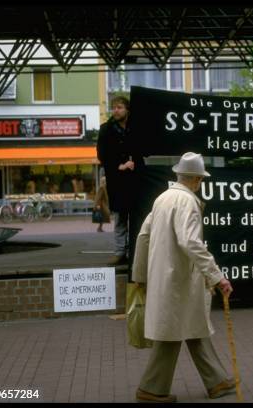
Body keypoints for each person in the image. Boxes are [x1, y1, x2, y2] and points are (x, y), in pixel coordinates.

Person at [132, 152, 236, 403]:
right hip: (180, 279)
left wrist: (140, 276)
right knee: (174, 331)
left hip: (165, 278)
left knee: (191, 325)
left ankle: (217, 381)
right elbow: (191, 242)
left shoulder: (162, 199)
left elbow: (143, 237)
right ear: (198, 179)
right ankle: (152, 389)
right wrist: (216, 276)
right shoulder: (188, 202)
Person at [97, 96, 142, 265]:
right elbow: (102, 155)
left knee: (135, 217)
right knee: (120, 217)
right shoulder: (106, 129)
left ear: (127, 110)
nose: (116, 110)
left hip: (136, 180)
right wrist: (120, 165)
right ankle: (119, 252)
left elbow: (142, 150)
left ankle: (133, 253)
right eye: (114, 107)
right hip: (117, 180)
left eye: (119, 107)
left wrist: (135, 163)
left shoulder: (135, 129)